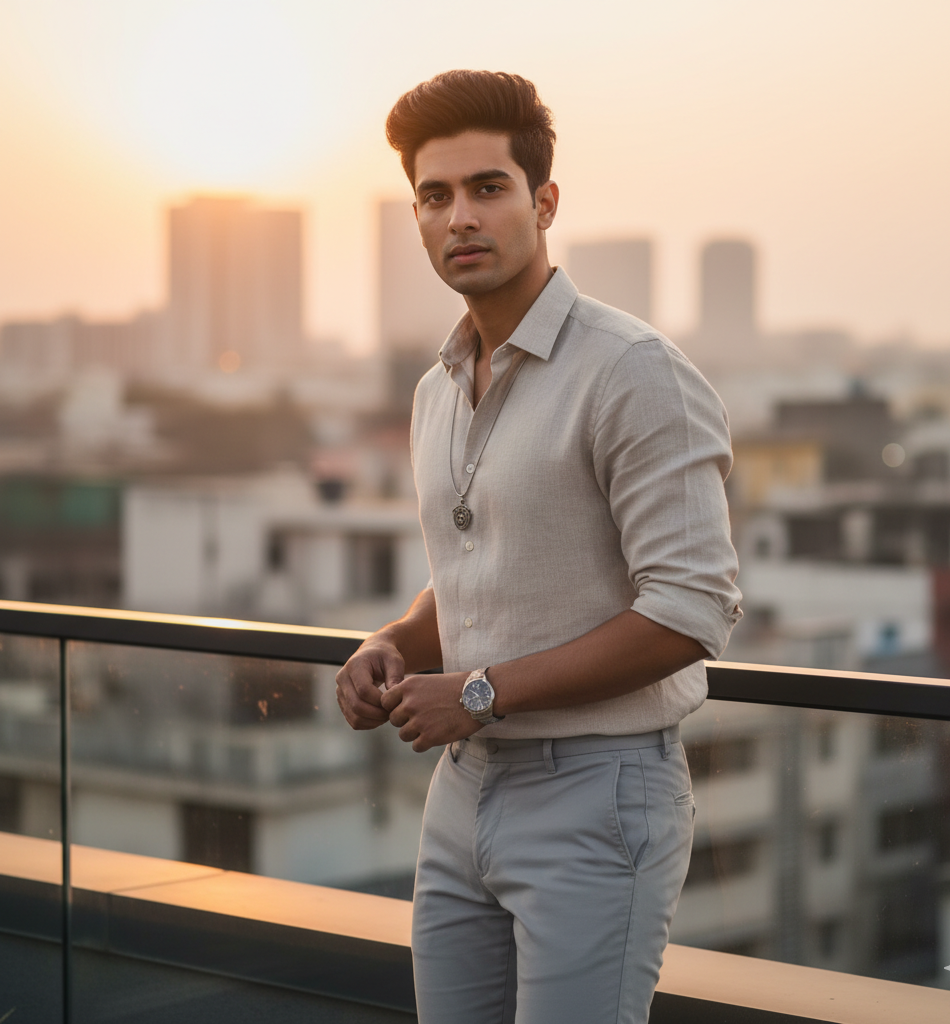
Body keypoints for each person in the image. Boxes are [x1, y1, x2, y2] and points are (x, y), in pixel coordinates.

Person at [336, 69, 742, 1024]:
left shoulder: (633, 372)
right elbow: (476, 581)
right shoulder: (439, 387)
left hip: (598, 795)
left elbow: (691, 611)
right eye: (434, 197)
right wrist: (390, 643)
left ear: (544, 200)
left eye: (488, 188)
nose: (459, 218)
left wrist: (476, 694)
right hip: (461, 795)